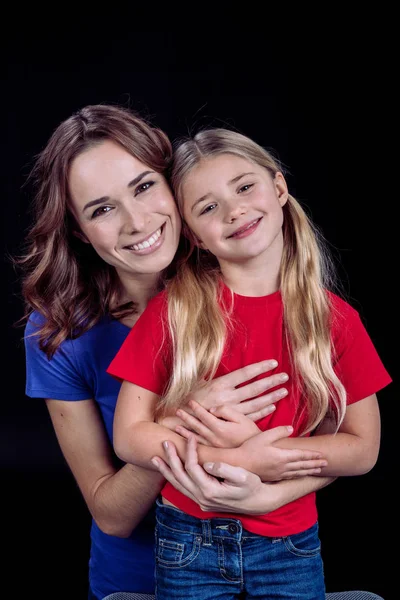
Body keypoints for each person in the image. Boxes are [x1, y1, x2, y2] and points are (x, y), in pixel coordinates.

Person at [20, 105, 336, 600]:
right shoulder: (58, 333)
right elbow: (110, 514)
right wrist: (180, 421)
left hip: (273, 562)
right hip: (139, 582)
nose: (136, 220)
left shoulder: (247, 276)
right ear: (80, 230)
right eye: (102, 209)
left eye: (144, 186)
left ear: (175, 186)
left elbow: (329, 441)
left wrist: (269, 480)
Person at [108, 128, 392, 599]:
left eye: (244, 187)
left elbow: (363, 449)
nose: (235, 209)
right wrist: (238, 460)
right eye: (207, 207)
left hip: (289, 541)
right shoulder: (173, 311)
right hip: (187, 539)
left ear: (279, 189)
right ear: (195, 237)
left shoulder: (335, 320)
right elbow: (130, 436)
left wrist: (270, 476)